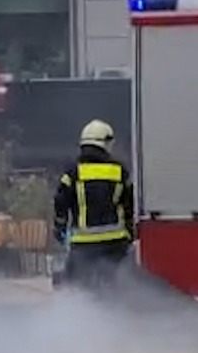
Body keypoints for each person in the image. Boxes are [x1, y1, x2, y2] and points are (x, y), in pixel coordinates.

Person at [52, 119, 136, 289]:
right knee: (119, 285)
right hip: (115, 244)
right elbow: (129, 205)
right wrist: (130, 232)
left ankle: (76, 310)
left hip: (83, 245)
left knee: (73, 286)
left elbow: (61, 202)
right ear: (106, 143)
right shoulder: (119, 171)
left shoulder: (73, 172)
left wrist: (60, 229)